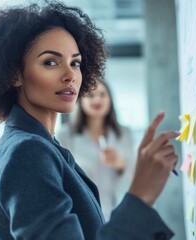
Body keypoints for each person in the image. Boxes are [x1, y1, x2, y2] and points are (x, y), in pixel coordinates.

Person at [0, 2, 179, 239]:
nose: (70, 75)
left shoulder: (32, 143)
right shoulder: (27, 151)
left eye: (75, 63)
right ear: (14, 74)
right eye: (50, 62)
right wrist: (140, 196)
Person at [57, 79, 136, 221]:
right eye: (91, 95)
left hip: (117, 214)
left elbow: (136, 176)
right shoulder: (65, 136)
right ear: (81, 100)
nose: (97, 99)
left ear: (110, 99)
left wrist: (121, 163)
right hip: (79, 215)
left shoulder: (124, 134)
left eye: (102, 94)